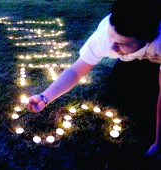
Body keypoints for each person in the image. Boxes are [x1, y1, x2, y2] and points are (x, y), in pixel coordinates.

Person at [26, 0, 161, 158]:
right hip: (133, 60)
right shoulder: (105, 35)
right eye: (111, 38)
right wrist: (44, 97)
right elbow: (75, 72)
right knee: (120, 89)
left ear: (147, 39)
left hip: (154, 55)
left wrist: (158, 143)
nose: (112, 48)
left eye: (121, 44)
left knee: (149, 100)